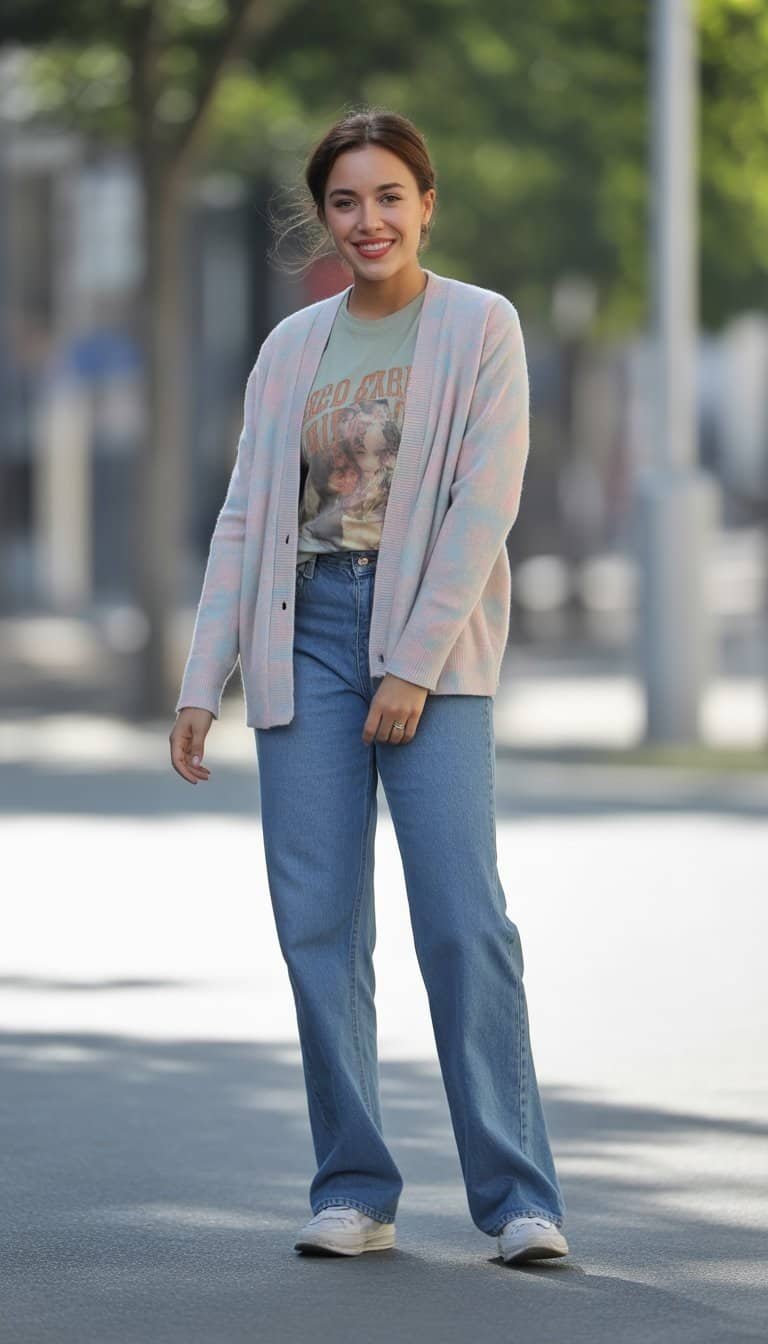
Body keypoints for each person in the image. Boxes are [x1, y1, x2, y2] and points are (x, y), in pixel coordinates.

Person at [169, 107, 570, 1267]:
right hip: (305, 637)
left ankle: (518, 1199)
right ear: (325, 216)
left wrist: (414, 664)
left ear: (426, 202)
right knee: (318, 925)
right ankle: (354, 1188)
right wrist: (207, 677)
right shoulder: (292, 347)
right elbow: (247, 516)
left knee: (464, 921)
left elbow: (483, 506)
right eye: (346, 201)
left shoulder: (480, 327)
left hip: (427, 648)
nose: (369, 219)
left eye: (390, 196)